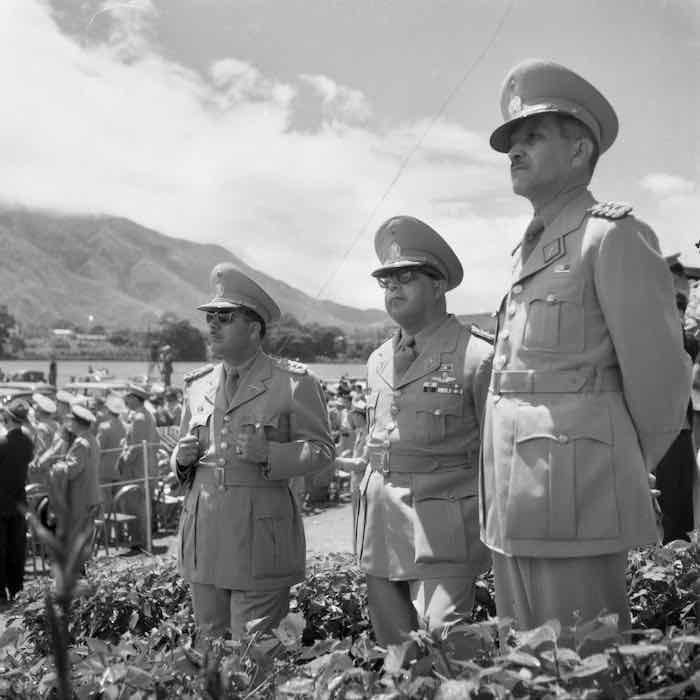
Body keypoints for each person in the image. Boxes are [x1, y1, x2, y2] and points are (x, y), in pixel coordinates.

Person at [481, 59, 691, 630]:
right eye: (510, 143)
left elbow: (662, 388)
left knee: (580, 668)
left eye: (532, 136)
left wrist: (607, 467)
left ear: (578, 153)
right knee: (523, 668)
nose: (514, 152)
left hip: (575, 497)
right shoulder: (529, 248)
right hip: (513, 499)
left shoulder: (611, 238)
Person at [351, 216, 493, 653]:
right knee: (397, 652)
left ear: (438, 286)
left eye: (406, 277)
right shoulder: (377, 360)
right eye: (386, 281)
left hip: (447, 526)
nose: (393, 288)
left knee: (445, 643)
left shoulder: (478, 356)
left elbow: (498, 453)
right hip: (381, 526)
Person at [172, 262, 334, 640]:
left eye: (224, 317)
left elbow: (323, 451)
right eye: (210, 316)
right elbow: (184, 456)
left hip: (259, 539)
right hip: (204, 537)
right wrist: (180, 460)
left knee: (255, 651)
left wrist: (271, 454)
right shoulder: (197, 385)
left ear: (254, 328)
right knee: (208, 648)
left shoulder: (292, 382)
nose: (212, 324)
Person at [652, 256, 697, 543]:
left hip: (681, 435)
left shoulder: (683, 335)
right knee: (665, 518)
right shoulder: (648, 330)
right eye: (678, 299)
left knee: (681, 517)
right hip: (658, 438)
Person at [49, 404, 102, 551]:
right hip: (90, 494)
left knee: (77, 535)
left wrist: (58, 467)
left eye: (71, 421)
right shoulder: (92, 439)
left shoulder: (80, 442)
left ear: (78, 423)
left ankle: (77, 570)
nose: (69, 424)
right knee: (85, 535)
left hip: (80, 496)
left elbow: (72, 470)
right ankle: (83, 568)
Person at [117, 384, 160, 550]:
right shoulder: (144, 415)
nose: (125, 399)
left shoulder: (140, 417)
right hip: (143, 467)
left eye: (128, 396)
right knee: (139, 505)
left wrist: (123, 461)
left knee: (138, 506)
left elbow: (136, 446)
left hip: (138, 469)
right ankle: (140, 540)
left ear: (135, 398)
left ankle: (141, 541)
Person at [0, 400, 34, 604]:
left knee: (1, 548)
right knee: (17, 548)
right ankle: (16, 588)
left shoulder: (3, 443)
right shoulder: (27, 441)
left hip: (1, 503)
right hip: (18, 501)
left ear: (8, 418)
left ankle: (0, 590)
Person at [96, 395, 127, 517]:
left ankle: (107, 534)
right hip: (119, 470)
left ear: (108, 410)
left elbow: (99, 450)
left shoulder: (104, 427)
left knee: (105, 505)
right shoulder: (126, 426)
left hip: (104, 471)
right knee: (119, 504)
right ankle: (119, 533)